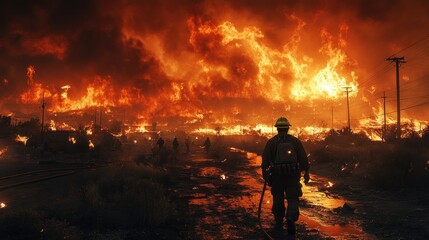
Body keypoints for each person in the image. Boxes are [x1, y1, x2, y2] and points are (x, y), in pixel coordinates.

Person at [261, 117, 310, 235]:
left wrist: (265, 173)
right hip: (293, 176)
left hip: (277, 176)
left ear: (277, 129)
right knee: (293, 198)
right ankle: (290, 218)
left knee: (278, 198)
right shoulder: (295, 142)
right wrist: (306, 173)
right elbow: (303, 158)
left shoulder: (271, 142)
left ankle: (278, 222)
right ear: (288, 128)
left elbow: (266, 160)